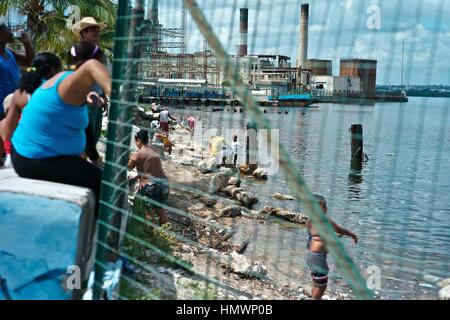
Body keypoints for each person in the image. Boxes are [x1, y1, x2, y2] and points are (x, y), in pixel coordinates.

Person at [10, 43, 111, 215]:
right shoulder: (69, 81)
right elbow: (91, 66)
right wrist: (117, 97)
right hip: (33, 158)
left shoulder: (64, 82)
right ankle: (102, 236)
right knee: (102, 183)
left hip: (31, 154)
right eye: (103, 63)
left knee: (94, 175)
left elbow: (82, 125)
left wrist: (93, 156)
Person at [0, 52, 62, 169]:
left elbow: (6, 133)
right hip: (48, 158)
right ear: (53, 70)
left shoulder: (20, 94)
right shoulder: (58, 93)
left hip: (17, 158)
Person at [306, 195, 358, 300]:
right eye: (324, 206)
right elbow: (341, 230)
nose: (327, 208)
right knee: (322, 285)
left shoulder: (310, 221)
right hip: (318, 257)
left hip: (310, 255)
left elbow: (318, 236)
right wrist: (353, 235)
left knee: (316, 282)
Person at [72, 17, 108, 166]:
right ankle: (82, 168)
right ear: (84, 33)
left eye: (97, 29)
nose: (96, 31)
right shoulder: (78, 51)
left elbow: (102, 76)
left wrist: (104, 96)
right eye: (92, 29)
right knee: (85, 139)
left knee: (94, 136)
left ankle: (85, 167)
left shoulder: (100, 53)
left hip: (97, 99)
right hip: (85, 100)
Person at [128, 130, 170, 225]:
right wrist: (136, 177)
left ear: (138, 140)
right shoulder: (153, 150)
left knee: (146, 210)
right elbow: (151, 170)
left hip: (152, 186)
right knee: (160, 209)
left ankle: (149, 234)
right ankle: (167, 233)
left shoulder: (138, 154)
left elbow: (125, 168)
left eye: (136, 142)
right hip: (164, 184)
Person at [0, 24, 35, 119]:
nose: (11, 32)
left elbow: (29, 62)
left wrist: (27, 43)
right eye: (7, 30)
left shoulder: (9, 52)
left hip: (14, 104)